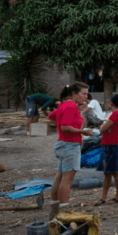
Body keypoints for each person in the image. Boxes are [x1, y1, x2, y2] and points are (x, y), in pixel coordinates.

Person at [47, 83, 92, 219]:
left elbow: (51, 117)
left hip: (62, 143)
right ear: (74, 94)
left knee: (60, 176)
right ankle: (64, 212)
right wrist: (82, 131)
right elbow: (66, 126)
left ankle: (54, 210)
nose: (85, 97)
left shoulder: (64, 105)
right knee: (67, 179)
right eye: (83, 94)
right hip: (70, 145)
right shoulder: (71, 106)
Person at [95, 94, 118, 205]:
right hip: (114, 144)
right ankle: (108, 196)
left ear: (112, 104)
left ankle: (116, 196)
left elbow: (103, 128)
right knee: (110, 172)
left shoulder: (115, 114)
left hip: (110, 145)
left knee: (112, 172)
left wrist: (104, 128)